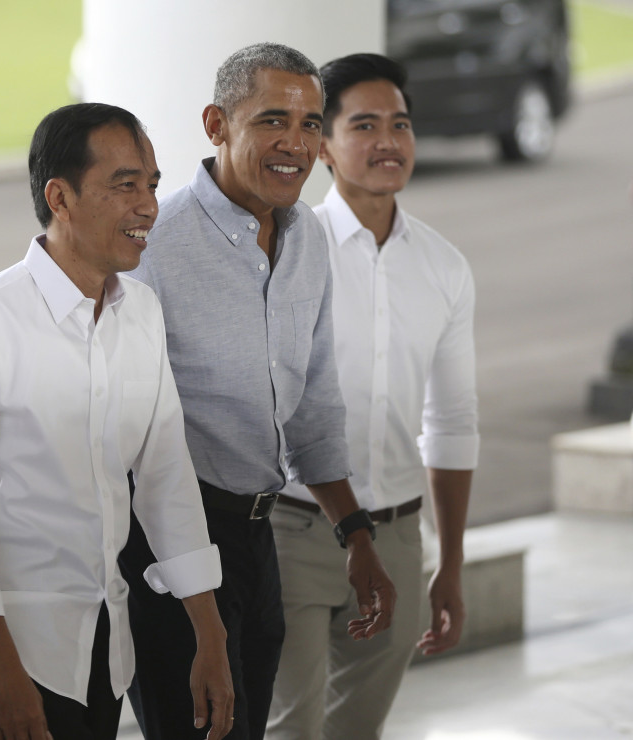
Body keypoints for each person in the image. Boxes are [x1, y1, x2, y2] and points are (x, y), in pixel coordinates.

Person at [0, 103, 234, 740]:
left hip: (106, 637)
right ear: (58, 197)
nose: (148, 205)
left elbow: (166, 477)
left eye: (151, 184)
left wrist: (210, 631)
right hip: (12, 641)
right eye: (125, 185)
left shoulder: (142, 311)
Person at [119, 42, 397, 740]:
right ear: (216, 124)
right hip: (168, 542)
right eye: (274, 120)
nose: (296, 145)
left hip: (258, 537)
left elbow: (313, 408)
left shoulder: (306, 241)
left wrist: (355, 533)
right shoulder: (151, 248)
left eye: (310, 125)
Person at [266, 53, 480, 739]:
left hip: (397, 538)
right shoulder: (287, 250)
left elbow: (450, 423)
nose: (389, 141)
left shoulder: (444, 267)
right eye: (365, 125)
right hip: (292, 533)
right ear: (323, 146)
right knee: (287, 728)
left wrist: (448, 561)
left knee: (358, 731)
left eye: (401, 124)